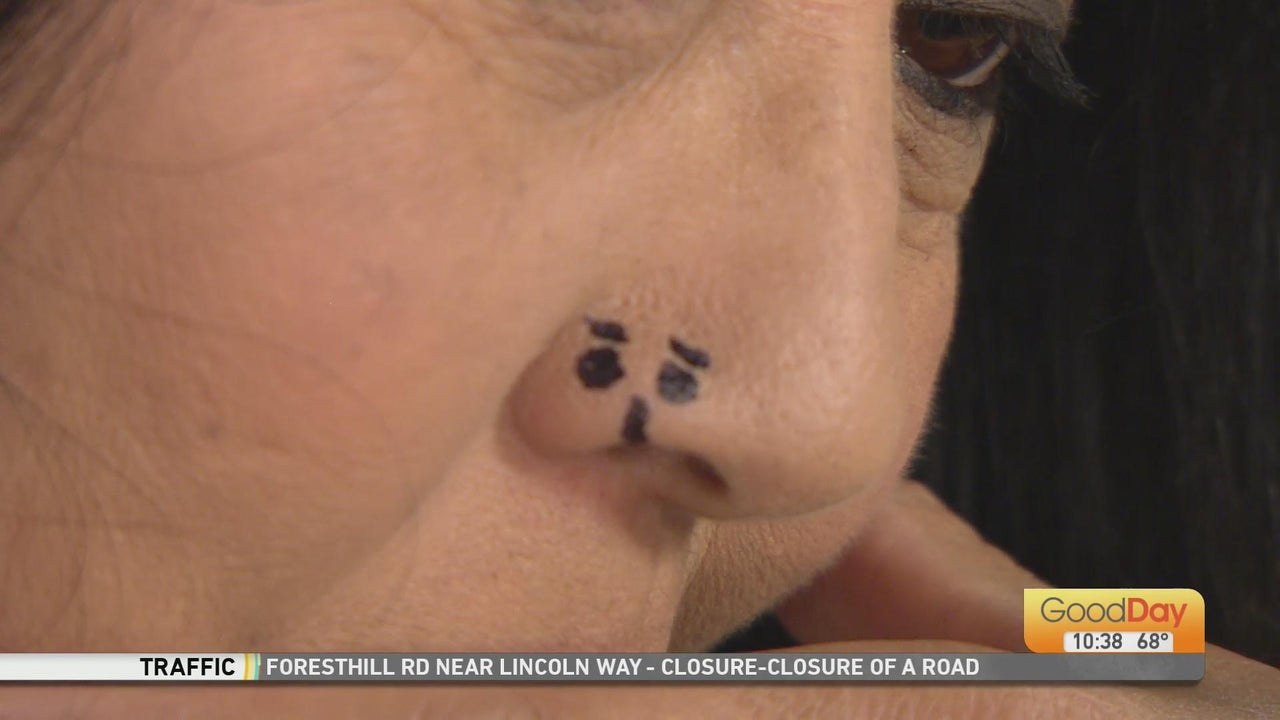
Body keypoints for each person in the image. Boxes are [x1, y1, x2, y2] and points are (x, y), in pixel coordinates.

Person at [0, 0, 1274, 717]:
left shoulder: (1117, 627)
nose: (839, 414)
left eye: (948, 51)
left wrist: (1125, 630)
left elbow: (1143, 642)